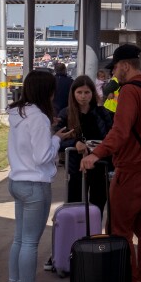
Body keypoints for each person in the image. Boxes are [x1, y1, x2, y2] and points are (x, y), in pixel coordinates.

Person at [80, 45, 141, 282]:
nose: (114, 73)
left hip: (132, 167)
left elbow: (120, 131)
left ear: (124, 66)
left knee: (118, 228)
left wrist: (96, 154)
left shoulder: (130, 91)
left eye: (115, 68)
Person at [4, 70, 73, 282]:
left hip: (17, 181)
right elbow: (42, 156)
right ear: (48, 91)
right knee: (30, 243)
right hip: (35, 184)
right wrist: (55, 139)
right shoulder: (40, 118)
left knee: (20, 240)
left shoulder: (17, 113)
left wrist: (50, 134)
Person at [56, 76, 113, 213]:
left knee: (97, 207)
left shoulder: (102, 113)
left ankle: (95, 233)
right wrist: (75, 143)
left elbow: (112, 136)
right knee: (74, 207)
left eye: (87, 92)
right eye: (79, 92)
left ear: (93, 93)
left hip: (99, 166)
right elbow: (57, 140)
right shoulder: (66, 113)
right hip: (76, 168)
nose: (83, 96)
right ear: (73, 93)